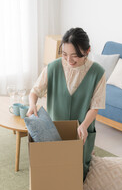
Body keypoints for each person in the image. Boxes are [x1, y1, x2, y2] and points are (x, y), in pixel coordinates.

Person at [27, 27, 106, 180]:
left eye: (75, 56)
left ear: (88, 51)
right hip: (55, 129)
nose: (69, 60)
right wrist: (32, 105)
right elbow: (35, 91)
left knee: (77, 176)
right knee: (53, 172)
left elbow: (95, 106)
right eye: (64, 54)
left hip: (81, 130)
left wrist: (83, 125)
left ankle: (89, 153)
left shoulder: (98, 73)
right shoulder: (53, 67)